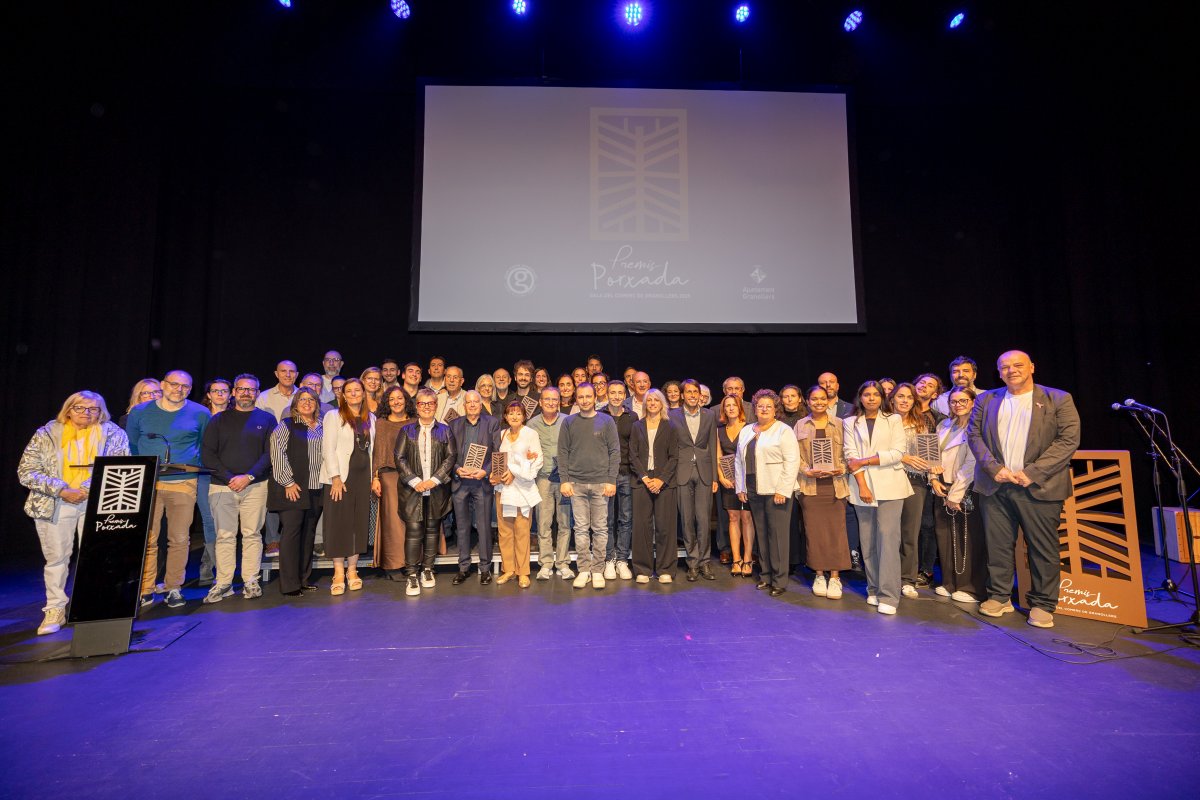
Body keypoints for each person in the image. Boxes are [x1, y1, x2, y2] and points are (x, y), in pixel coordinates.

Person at [968, 350, 1080, 628]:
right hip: (996, 485)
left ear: (1032, 366)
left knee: (1043, 548)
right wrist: (996, 469)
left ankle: (1043, 603)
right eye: (1004, 367)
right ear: (998, 371)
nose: (1011, 370)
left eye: (1018, 365)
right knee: (997, 546)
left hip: (1040, 487)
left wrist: (1032, 473)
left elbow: (1068, 440)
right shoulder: (986, 399)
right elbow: (974, 436)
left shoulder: (1058, 398)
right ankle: (999, 596)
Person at [19, 391, 129, 635]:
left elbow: (119, 466)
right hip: (55, 502)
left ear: (102, 412)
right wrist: (62, 490)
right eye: (80, 408)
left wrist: (86, 489)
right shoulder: (46, 434)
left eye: (93, 409)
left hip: (98, 503)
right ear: (68, 409)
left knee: (99, 558)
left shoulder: (114, 434)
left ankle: (93, 606)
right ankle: (55, 608)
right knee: (57, 558)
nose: (86, 413)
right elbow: (26, 471)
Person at [127, 370, 210, 608]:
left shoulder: (200, 413)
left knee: (180, 538)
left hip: (183, 482)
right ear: (163, 385)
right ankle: (145, 588)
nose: (179, 389)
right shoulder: (140, 412)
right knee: (148, 538)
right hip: (147, 482)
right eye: (174, 384)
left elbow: (204, 445)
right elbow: (132, 444)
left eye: (185, 386)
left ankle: (174, 586)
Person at [201, 374, 276, 603]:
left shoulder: (267, 419)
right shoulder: (218, 420)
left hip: (256, 486)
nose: (246, 393)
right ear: (234, 392)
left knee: (252, 534)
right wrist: (231, 478)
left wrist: (248, 476)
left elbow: (269, 453)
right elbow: (208, 455)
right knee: (225, 536)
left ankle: (250, 580)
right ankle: (223, 583)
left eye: (251, 390)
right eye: (242, 389)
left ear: (257, 392)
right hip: (222, 487)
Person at [844, 380, 913, 615]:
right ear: (860, 398)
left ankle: (889, 595)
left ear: (881, 398)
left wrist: (864, 460)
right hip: (862, 486)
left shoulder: (893, 420)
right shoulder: (850, 422)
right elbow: (850, 455)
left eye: (875, 394)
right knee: (868, 540)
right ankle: (873, 588)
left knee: (888, 540)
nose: (871, 398)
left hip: (891, 486)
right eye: (866, 394)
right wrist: (862, 484)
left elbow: (897, 453)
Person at [735, 390, 800, 597]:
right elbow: (738, 460)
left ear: (775, 410)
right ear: (754, 408)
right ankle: (765, 575)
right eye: (760, 406)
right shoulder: (747, 430)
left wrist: (783, 489)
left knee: (778, 535)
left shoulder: (783, 430)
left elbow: (792, 461)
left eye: (768, 406)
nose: (763, 409)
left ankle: (779, 579)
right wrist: (741, 487)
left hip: (775, 489)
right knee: (762, 534)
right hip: (753, 487)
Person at [396, 387, 457, 597]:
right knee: (414, 531)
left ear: (435, 406)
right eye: (422, 403)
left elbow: (451, 457)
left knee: (432, 528)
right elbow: (399, 458)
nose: (426, 407)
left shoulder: (445, 430)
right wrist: (415, 481)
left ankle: (428, 569)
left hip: (436, 488)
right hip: (411, 490)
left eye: (430, 403)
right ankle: (412, 574)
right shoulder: (406, 431)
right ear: (416, 406)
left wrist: (433, 480)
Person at [558, 383, 620, 590]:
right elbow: (563, 452)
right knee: (581, 529)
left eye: (588, 396)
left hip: (601, 484)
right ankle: (584, 570)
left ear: (595, 398)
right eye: (581, 397)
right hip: (576, 484)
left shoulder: (607, 421)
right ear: (576, 399)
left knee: (601, 529)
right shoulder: (568, 422)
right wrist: (565, 480)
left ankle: (597, 570)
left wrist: (611, 480)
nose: (584, 400)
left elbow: (614, 452)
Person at [794, 386, 851, 599]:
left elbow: (849, 453)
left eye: (822, 399)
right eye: (814, 399)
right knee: (814, 532)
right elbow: (795, 455)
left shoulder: (840, 424)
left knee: (836, 532)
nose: (818, 402)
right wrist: (806, 470)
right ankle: (819, 574)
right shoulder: (800, 425)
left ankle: (835, 577)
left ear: (828, 401)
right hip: (810, 487)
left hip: (835, 486)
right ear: (807, 401)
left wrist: (842, 468)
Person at [319, 377, 375, 596]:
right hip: (340, 479)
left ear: (363, 393)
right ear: (342, 395)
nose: (353, 394)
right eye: (348, 391)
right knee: (338, 524)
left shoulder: (370, 418)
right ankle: (338, 572)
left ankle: (353, 571)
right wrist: (335, 477)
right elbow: (328, 448)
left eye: (357, 390)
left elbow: (372, 450)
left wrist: (374, 478)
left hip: (363, 479)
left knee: (357, 524)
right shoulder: (334, 416)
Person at [930, 387, 985, 602]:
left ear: (973, 402)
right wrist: (932, 479)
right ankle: (949, 582)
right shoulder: (944, 425)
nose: (958, 405)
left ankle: (971, 588)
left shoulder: (977, 427)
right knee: (945, 535)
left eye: (963, 400)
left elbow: (972, 462)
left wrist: (957, 493)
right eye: (954, 401)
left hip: (966, 486)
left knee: (968, 537)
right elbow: (932, 455)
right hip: (941, 485)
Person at [268, 388, 324, 596]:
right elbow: (277, 453)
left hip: (316, 488)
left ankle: (303, 578)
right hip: (293, 488)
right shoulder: (286, 425)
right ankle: (290, 584)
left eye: (311, 400)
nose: (307, 403)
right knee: (292, 535)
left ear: (317, 404)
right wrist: (288, 482)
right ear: (295, 404)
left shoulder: (322, 427)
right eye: (302, 399)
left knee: (308, 535)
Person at [889, 382, 937, 598]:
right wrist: (903, 457)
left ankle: (907, 579)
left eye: (909, 397)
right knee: (889, 532)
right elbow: (876, 452)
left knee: (910, 531)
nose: (905, 400)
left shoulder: (921, 423)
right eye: (900, 396)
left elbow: (930, 457)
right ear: (892, 399)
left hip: (916, 482)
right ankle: (888, 576)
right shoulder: (884, 423)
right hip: (888, 479)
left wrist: (934, 474)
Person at [448, 391, 500, 585]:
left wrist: (485, 472)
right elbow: (449, 454)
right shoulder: (454, 425)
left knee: (484, 526)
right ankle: (463, 568)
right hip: (460, 482)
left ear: (481, 404)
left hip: (481, 482)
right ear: (464, 404)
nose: (472, 405)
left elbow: (497, 452)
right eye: (468, 402)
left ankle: (485, 568)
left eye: (475, 402)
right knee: (462, 528)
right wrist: (457, 469)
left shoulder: (492, 423)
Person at [669, 379, 718, 582]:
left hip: (705, 472)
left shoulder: (709, 415)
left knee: (704, 519)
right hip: (682, 472)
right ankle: (692, 562)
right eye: (688, 392)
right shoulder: (672, 415)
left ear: (700, 395)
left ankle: (705, 561)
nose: (691, 395)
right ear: (682, 395)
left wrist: (715, 476)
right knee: (687, 520)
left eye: (695, 392)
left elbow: (713, 446)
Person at [492, 400, 544, 588]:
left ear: (524, 416)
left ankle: (523, 572)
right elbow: (497, 461)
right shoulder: (501, 434)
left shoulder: (531, 434)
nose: (514, 416)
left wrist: (514, 472)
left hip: (522, 488)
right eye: (510, 413)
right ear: (505, 416)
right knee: (505, 531)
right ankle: (509, 570)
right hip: (503, 489)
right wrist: (494, 476)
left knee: (522, 531)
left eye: (518, 413)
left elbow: (537, 461)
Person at [630, 389, 680, 583]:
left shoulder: (670, 426)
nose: (652, 403)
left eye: (656, 400)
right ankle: (642, 569)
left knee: (665, 526)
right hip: (642, 480)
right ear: (644, 404)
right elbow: (632, 455)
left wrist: (661, 480)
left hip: (664, 481)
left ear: (662, 404)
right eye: (649, 400)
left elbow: (674, 456)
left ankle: (665, 568)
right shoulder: (637, 426)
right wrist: (644, 477)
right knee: (642, 525)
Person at [529, 387, 574, 580]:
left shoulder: (568, 421)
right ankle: (546, 563)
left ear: (559, 402)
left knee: (564, 523)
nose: (550, 402)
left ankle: (563, 563)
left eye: (554, 399)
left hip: (564, 479)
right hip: (543, 479)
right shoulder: (532, 424)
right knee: (544, 523)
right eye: (546, 399)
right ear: (540, 402)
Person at [371, 386, 412, 579]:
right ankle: (393, 565)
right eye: (392, 399)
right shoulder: (381, 423)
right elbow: (378, 452)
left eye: (400, 398)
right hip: (389, 476)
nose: (396, 402)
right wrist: (375, 478)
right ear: (387, 402)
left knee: (411, 521)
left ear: (406, 400)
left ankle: (411, 561)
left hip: (412, 477)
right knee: (393, 522)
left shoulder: (415, 422)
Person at [599, 379, 635, 580]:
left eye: (620, 392)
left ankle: (622, 559)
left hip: (627, 474)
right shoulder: (600, 416)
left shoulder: (632, 416)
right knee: (606, 520)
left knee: (626, 518)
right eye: (612, 392)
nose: (616, 396)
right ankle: (608, 559)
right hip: (605, 475)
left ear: (624, 395)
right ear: (607, 394)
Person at [197, 377, 232, 584]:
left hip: (229, 474)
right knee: (209, 520)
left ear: (231, 394)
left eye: (224, 391)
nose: (220, 394)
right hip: (204, 474)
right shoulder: (200, 417)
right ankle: (209, 566)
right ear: (208, 394)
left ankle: (224, 567)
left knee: (226, 523)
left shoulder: (235, 416)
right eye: (215, 391)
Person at [717, 394, 754, 576]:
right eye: (727, 406)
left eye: (734, 405)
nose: (730, 408)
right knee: (733, 518)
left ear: (740, 408)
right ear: (723, 409)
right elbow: (718, 456)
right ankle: (736, 559)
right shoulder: (719, 430)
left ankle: (748, 559)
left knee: (746, 518)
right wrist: (722, 477)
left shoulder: (750, 428)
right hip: (728, 480)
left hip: (746, 480)